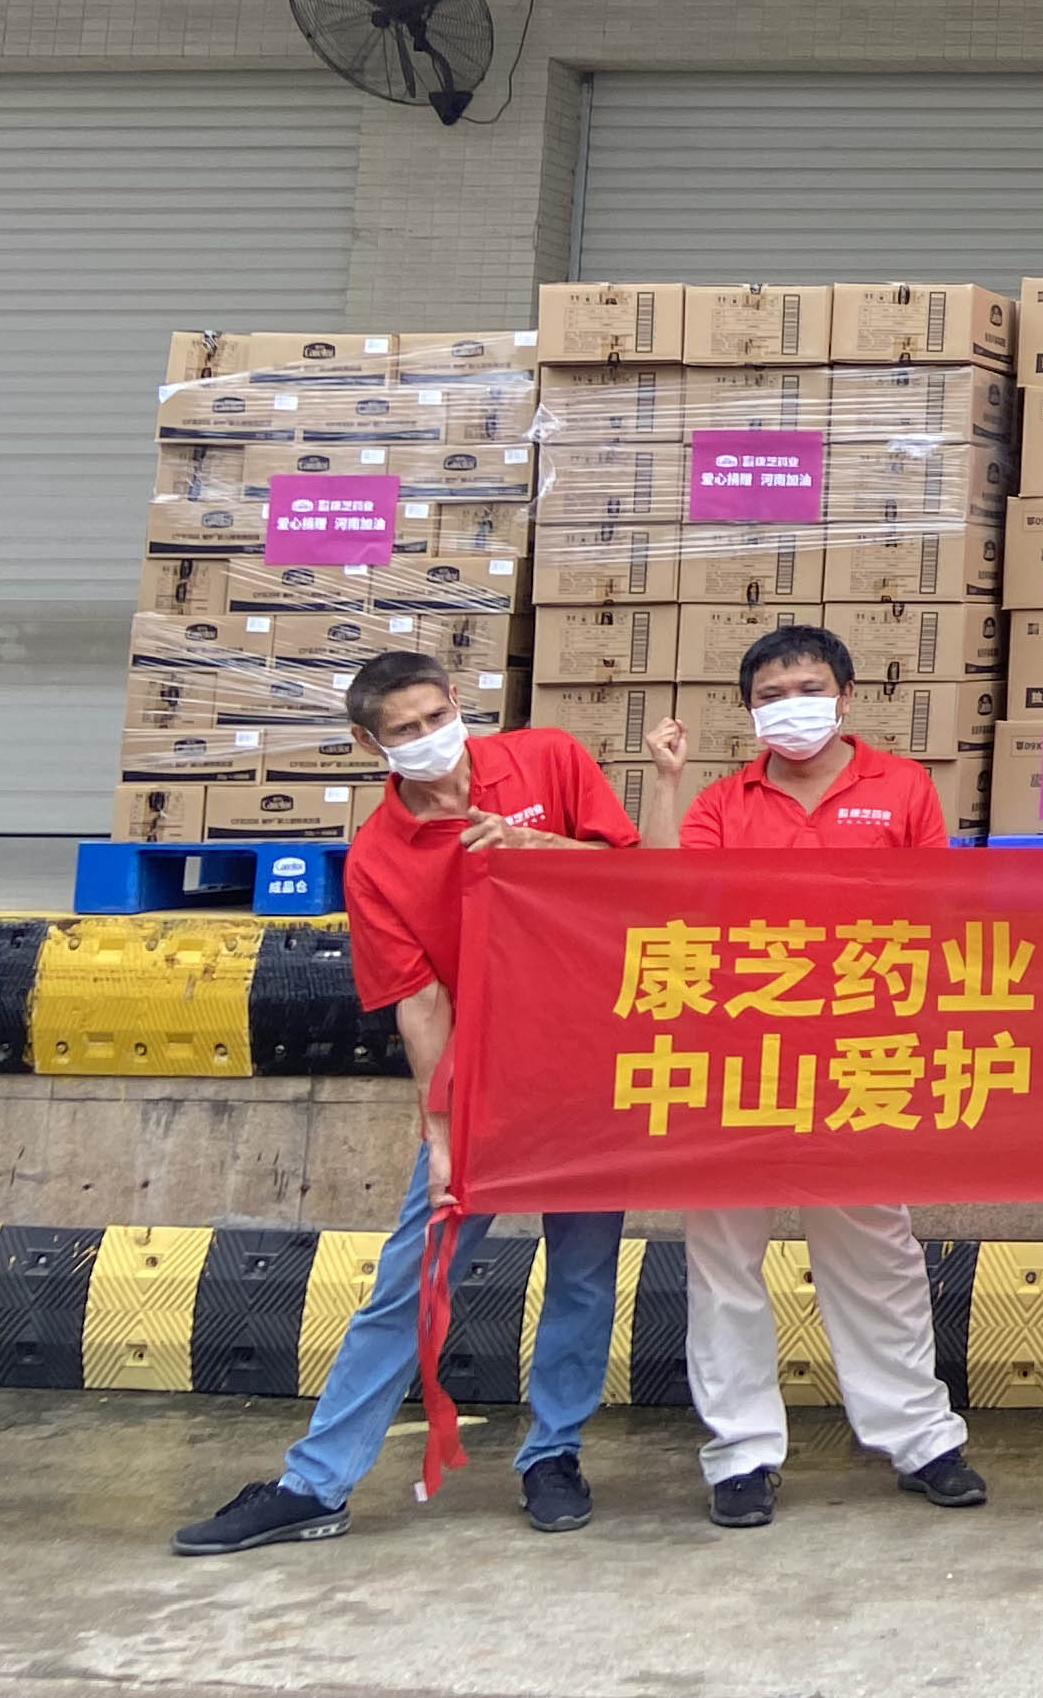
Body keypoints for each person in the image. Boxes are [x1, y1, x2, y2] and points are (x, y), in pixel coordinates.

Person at [173, 652, 635, 1554]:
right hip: (488, 1080)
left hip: (592, 1063)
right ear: (367, 743)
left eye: (436, 718)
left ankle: (554, 1455)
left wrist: (533, 847)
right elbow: (421, 1003)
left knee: (583, 1273)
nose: (428, 739)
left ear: (458, 703)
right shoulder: (379, 860)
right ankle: (316, 1482)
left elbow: (634, 884)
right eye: (404, 731)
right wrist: (441, 1134)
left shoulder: (547, 761)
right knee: (413, 1281)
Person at [639, 626, 984, 1530]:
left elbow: (937, 912)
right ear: (749, 712)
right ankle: (741, 1454)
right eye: (771, 695)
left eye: (809, 688)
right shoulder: (721, 803)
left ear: (846, 696)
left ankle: (920, 1439)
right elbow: (664, 898)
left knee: (877, 1253)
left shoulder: (902, 788)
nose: (791, 706)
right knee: (723, 1260)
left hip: (860, 1056)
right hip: (736, 1056)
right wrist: (667, 783)